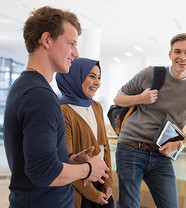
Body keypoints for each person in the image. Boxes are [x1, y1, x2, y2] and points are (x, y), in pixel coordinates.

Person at [3, 6, 109, 208]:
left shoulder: (26, 86)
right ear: (46, 40)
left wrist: (69, 159)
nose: (76, 53)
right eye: (71, 44)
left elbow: (35, 158)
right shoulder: (40, 96)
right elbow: (43, 172)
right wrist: (87, 169)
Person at [113, 33, 186, 208]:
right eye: (177, 51)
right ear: (170, 54)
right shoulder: (151, 73)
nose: (182, 57)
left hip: (163, 155)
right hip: (131, 147)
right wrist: (140, 98)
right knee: (129, 205)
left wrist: (179, 145)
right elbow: (118, 99)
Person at [56, 58, 114, 208]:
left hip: (101, 184)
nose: (98, 83)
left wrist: (108, 183)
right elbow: (67, 162)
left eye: (99, 77)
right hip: (80, 188)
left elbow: (105, 147)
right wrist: (94, 195)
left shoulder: (96, 106)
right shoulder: (63, 111)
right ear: (75, 76)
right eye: (92, 76)